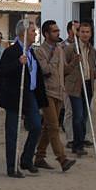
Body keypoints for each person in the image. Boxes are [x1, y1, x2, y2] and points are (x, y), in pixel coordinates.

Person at [0, 20, 48, 178]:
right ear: (24, 33)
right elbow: (3, 72)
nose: (35, 34)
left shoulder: (31, 51)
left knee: (36, 126)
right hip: (15, 97)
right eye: (33, 31)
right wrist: (18, 63)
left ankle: (26, 159)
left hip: (30, 95)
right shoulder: (11, 51)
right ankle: (12, 167)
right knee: (12, 132)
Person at [33, 20, 76, 172]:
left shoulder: (60, 49)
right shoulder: (40, 51)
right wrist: (54, 53)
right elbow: (46, 70)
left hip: (59, 91)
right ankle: (62, 159)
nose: (58, 33)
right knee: (54, 127)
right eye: (54, 31)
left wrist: (73, 63)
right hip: (46, 93)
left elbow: (63, 70)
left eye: (58, 31)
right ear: (46, 34)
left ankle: (39, 156)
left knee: (47, 126)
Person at [64, 22, 96, 157]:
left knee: (85, 116)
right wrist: (74, 61)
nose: (85, 34)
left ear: (91, 34)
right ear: (78, 33)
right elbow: (64, 69)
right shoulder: (70, 49)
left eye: (87, 32)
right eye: (82, 32)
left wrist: (95, 72)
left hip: (88, 85)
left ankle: (81, 141)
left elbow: (92, 66)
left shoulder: (92, 50)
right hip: (75, 87)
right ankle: (77, 145)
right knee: (77, 116)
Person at [61, 21, 90, 148]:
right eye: (79, 30)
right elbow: (63, 67)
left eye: (86, 31)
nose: (82, 33)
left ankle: (82, 137)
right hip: (70, 85)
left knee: (84, 113)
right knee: (71, 112)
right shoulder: (65, 46)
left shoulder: (89, 48)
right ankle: (71, 139)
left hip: (85, 84)